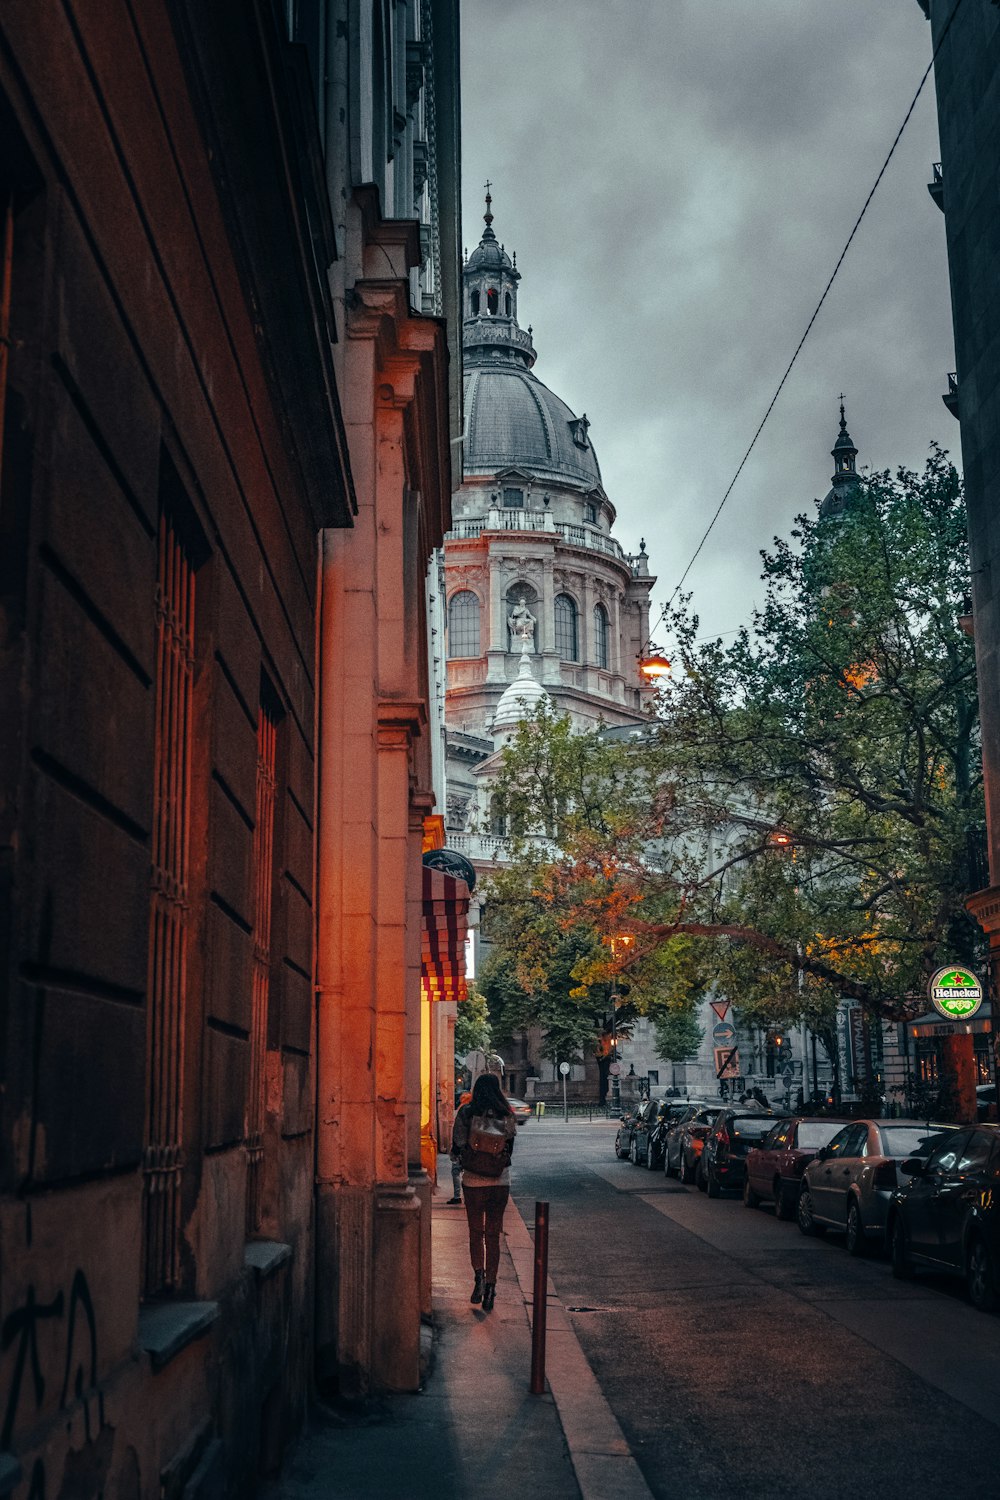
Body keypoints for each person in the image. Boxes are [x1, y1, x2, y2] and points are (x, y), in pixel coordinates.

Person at [451, 1073, 516, 1311]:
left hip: (473, 1181)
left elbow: (457, 1144)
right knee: (493, 1235)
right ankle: (491, 1286)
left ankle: (478, 1276)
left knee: (476, 1232)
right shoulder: (506, 1112)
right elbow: (510, 1146)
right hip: (500, 1181)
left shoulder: (467, 1112)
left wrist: (466, 1158)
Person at [447, 1089, 473, 1204]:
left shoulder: (462, 1111)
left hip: (462, 1147)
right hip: (470, 1148)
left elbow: (458, 1131)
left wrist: (456, 1148)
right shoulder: (472, 1111)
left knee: (456, 1171)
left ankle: (457, 1196)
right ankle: (466, 1196)